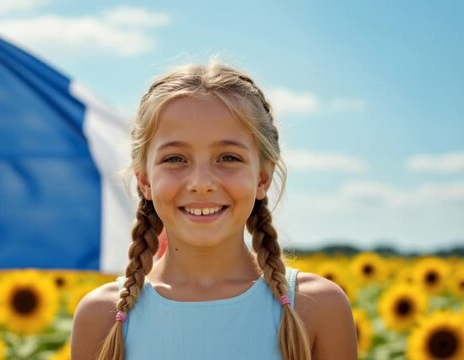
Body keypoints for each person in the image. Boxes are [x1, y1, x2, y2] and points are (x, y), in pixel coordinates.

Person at [71, 62, 357, 360]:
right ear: (145, 180)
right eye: (175, 158)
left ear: (262, 177)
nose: (201, 183)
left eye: (228, 157)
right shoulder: (102, 318)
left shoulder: (316, 308)